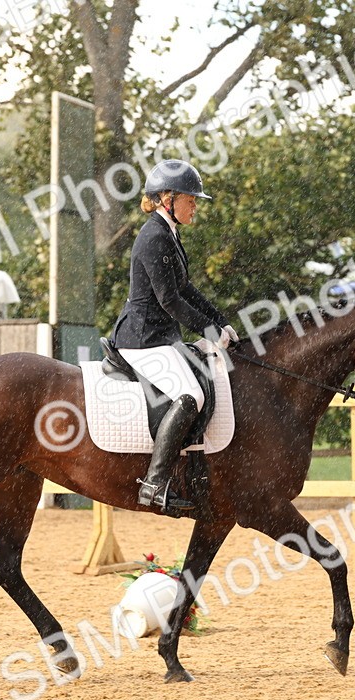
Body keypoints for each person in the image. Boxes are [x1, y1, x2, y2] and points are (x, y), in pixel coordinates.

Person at [111, 158, 240, 515]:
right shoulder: (154, 237)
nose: (195, 205)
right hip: (143, 338)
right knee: (190, 395)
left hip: (161, 336)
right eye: (191, 199)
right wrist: (209, 332)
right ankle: (154, 483)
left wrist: (220, 322)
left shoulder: (168, 233)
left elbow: (185, 288)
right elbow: (169, 300)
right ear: (168, 199)